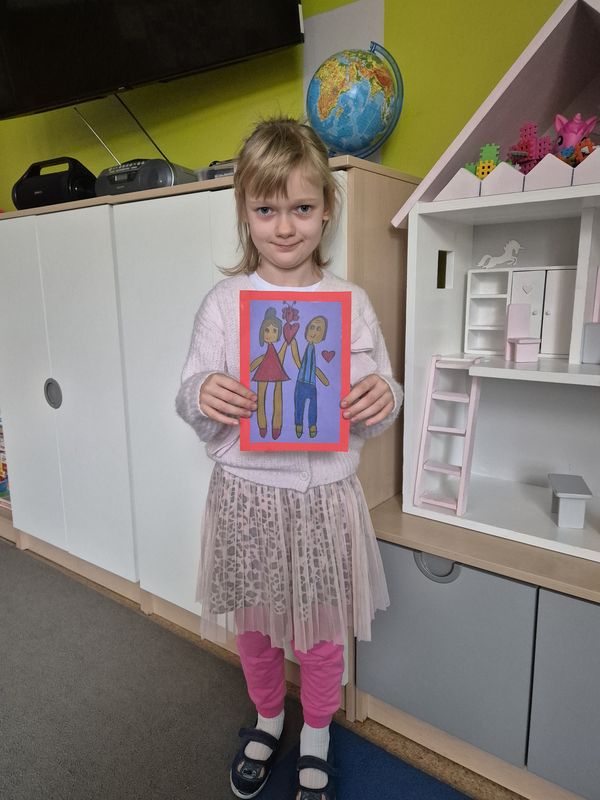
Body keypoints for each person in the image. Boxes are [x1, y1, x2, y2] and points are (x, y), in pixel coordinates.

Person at [176, 117, 403, 800]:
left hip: (325, 499)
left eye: (302, 208)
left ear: (327, 209)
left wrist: (382, 395)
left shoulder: (350, 303)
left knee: (323, 637)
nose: (284, 227)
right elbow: (188, 393)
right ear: (244, 212)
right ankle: (270, 718)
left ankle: (317, 732)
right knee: (255, 629)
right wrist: (201, 392)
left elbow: (382, 394)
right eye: (266, 209)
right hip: (246, 496)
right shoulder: (225, 303)